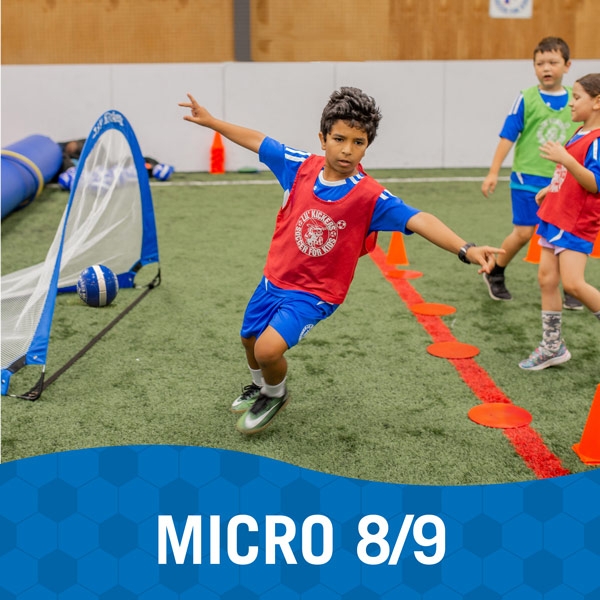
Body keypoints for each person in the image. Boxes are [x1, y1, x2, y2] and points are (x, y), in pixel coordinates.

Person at [180, 87, 503, 434]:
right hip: (273, 279)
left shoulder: (370, 196)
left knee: (267, 349)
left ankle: (275, 392)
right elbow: (260, 141)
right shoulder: (300, 167)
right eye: (339, 138)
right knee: (249, 339)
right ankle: (259, 386)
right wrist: (212, 121)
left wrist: (465, 248)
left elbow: (419, 219)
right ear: (322, 138)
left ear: (367, 145)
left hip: (315, 293)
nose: (348, 150)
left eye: (359, 142)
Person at [481, 36, 583, 309]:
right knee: (525, 232)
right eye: (540, 63)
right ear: (533, 66)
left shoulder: (577, 97)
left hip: (563, 181)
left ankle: (572, 285)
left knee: (563, 234)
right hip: (527, 179)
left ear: (567, 65)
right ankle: (496, 270)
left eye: (553, 62)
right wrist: (493, 172)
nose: (546, 68)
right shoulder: (526, 98)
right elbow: (507, 136)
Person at [519, 73, 600, 371]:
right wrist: (551, 188)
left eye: (577, 97)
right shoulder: (578, 133)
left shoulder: (598, 140)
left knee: (575, 284)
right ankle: (552, 346)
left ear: (597, 102)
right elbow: (569, 176)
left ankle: (553, 346)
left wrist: (565, 159)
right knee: (546, 279)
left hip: (576, 221)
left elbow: (594, 183)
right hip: (556, 216)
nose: (571, 103)